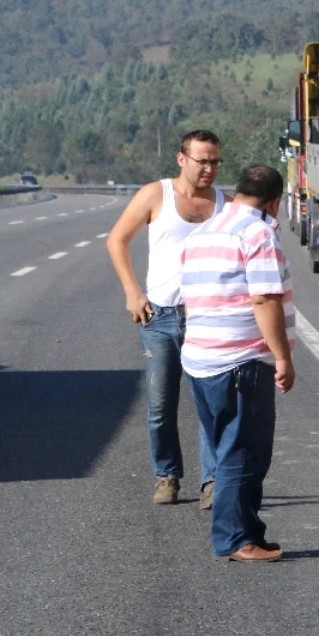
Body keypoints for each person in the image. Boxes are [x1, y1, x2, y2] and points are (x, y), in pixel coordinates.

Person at [180, 165, 296, 563]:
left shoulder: (202, 232)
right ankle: (236, 539)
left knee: (226, 448)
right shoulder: (257, 233)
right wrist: (282, 356)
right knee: (243, 454)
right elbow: (264, 299)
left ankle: (249, 533)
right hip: (240, 362)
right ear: (275, 201)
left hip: (200, 360)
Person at [107, 130, 224, 508]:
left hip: (208, 318)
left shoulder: (225, 203)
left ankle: (212, 481)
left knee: (211, 405)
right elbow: (116, 240)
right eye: (201, 160)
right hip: (159, 317)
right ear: (181, 159)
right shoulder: (155, 194)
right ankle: (167, 476)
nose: (208, 169)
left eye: (215, 162)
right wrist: (132, 291)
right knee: (160, 405)